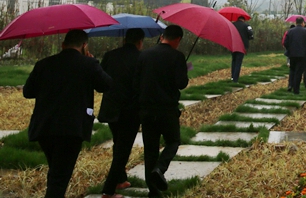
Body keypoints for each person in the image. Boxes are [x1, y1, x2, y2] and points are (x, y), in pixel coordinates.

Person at [23, 29, 113, 198]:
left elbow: (28, 92)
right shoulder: (88, 64)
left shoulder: (43, 64)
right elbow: (106, 85)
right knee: (59, 176)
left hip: (44, 126)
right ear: (85, 45)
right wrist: (93, 62)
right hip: (72, 128)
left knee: (56, 171)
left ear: (63, 45)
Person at [134, 25, 189, 198]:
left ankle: (153, 191)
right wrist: (184, 69)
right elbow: (181, 83)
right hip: (167, 110)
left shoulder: (144, 55)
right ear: (178, 39)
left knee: (150, 150)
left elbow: (136, 81)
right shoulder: (177, 56)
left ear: (162, 36)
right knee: (173, 141)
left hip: (147, 110)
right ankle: (160, 168)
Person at [98, 28, 145, 198]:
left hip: (111, 108)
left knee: (119, 143)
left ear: (125, 40)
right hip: (130, 110)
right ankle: (108, 190)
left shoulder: (110, 55)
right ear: (140, 42)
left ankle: (120, 179)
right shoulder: (142, 58)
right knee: (123, 149)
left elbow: (101, 78)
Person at [283, 17, 306, 94]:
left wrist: (290, 49)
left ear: (296, 23)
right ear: (302, 23)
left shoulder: (290, 31)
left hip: (292, 54)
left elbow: (285, 43)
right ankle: (296, 89)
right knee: (299, 71)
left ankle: (290, 85)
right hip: (302, 54)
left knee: (292, 70)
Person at [230, 16, 253, 82]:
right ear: (244, 20)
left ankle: (232, 76)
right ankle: (235, 79)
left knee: (234, 60)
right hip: (242, 45)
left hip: (233, 45)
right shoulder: (247, 26)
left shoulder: (232, 25)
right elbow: (251, 33)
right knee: (238, 61)